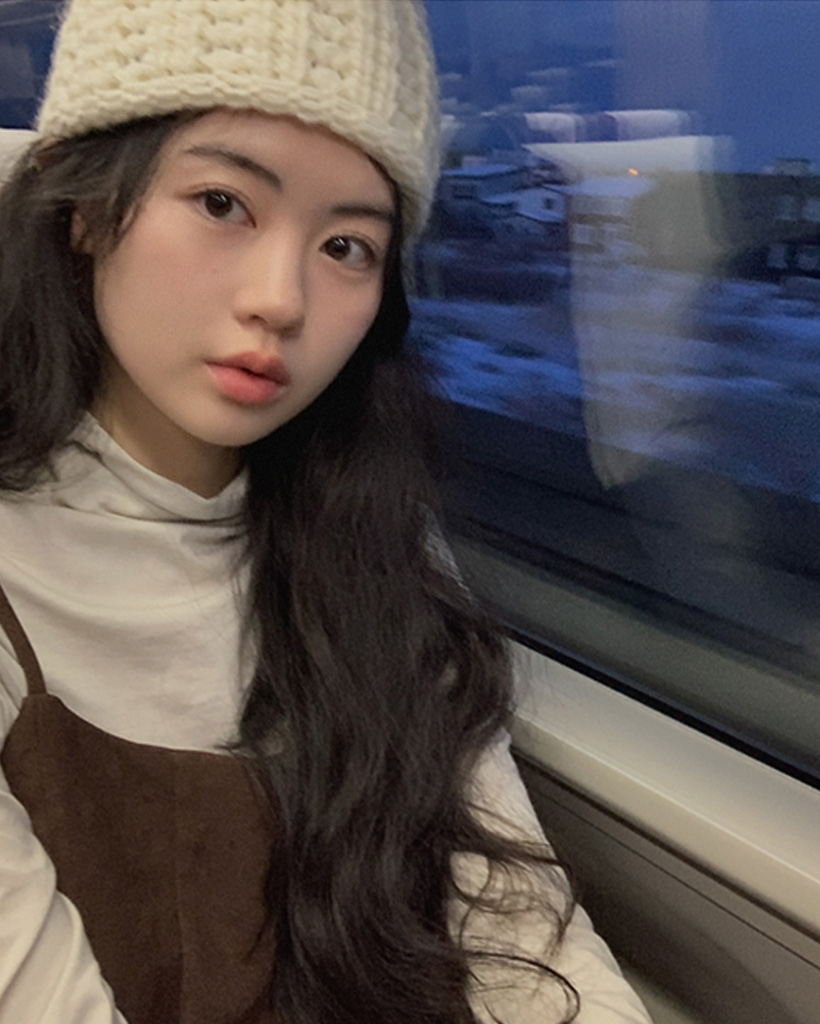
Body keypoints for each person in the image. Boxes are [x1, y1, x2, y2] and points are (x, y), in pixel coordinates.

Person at [0, 1, 653, 1022]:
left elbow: (524, 942)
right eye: (222, 201)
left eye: (347, 246)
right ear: (81, 206)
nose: (281, 299)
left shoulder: (368, 532)